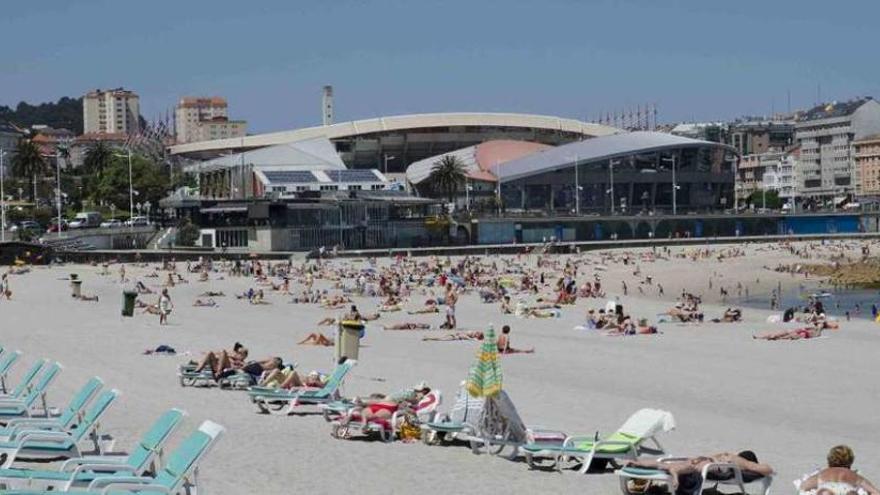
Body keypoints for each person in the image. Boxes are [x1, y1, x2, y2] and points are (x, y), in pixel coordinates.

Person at [624, 451, 773, 494]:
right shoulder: (729, 457)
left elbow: (765, 470)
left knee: (673, 466)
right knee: (670, 465)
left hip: (709, 466)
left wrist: (761, 468)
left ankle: (641, 465)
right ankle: (639, 463)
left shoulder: (738, 460)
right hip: (701, 463)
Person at [798, 445, 880, 495]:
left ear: (829, 461)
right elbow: (876, 492)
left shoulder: (823, 473)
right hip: (848, 490)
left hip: (827, 489)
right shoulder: (853, 475)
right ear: (850, 462)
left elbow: (804, 487)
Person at [754, 326, 823, 340]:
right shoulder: (815, 329)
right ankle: (759, 337)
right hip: (799, 331)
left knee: (790, 335)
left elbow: (815, 335)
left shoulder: (817, 332)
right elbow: (806, 327)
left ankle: (759, 337)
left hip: (803, 333)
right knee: (783, 333)